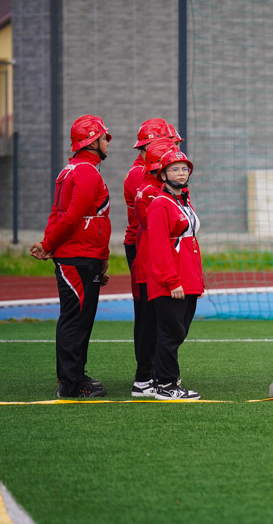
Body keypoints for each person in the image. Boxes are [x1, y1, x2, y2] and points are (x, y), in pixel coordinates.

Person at [30, 115, 112, 397]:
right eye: (104, 138)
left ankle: (73, 376)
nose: (107, 143)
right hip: (79, 255)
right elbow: (73, 216)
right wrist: (49, 242)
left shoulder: (69, 171)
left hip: (80, 254)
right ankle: (72, 383)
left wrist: (48, 243)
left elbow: (57, 212)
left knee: (75, 318)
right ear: (93, 141)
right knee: (76, 319)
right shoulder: (87, 172)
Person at [146, 147, 204, 399]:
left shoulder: (183, 200)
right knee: (170, 334)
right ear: (162, 175)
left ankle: (163, 380)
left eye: (184, 168)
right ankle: (165, 385)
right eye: (174, 169)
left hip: (187, 278)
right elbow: (158, 247)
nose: (181, 173)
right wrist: (172, 281)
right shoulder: (160, 204)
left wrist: (196, 282)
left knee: (177, 333)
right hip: (171, 281)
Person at [123, 118, 171, 396]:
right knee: (148, 315)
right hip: (144, 245)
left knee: (155, 314)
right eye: (169, 143)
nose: (173, 149)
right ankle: (146, 376)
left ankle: (153, 373)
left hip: (149, 243)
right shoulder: (142, 177)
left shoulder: (150, 174)